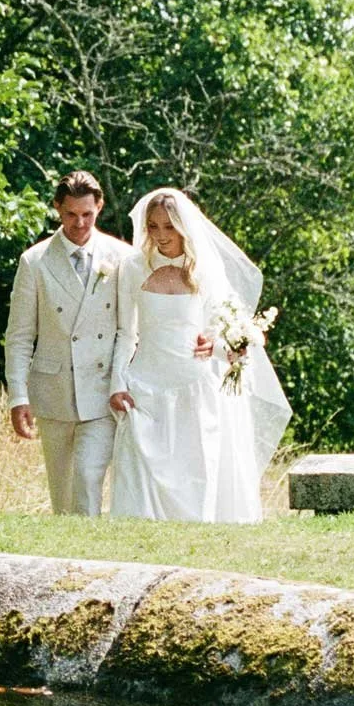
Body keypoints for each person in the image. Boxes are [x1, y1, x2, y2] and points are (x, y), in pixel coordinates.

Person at [104, 186, 292, 522]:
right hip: (145, 385)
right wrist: (117, 382)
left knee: (197, 469)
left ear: (184, 227)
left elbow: (223, 335)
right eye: (153, 227)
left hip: (194, 385)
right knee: (140, 470)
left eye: (169, 226)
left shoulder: (205, 271)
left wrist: (220, 347)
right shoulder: (133, 268)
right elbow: (126, 333)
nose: (161, 236)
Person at [4, 172, 143, 515]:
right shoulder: (35, 261)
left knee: (87, 474)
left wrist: (119, 382)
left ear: (99, 207)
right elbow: (20, 336)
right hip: (53, 390)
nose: (79, 223)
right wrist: (19, 396)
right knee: (62, 491)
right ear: (57, 209)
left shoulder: (122, 256)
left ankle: (93, 552)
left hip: (101, 390)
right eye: (70, 215)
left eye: (87, 214)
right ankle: (68, 559)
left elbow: (129, 330)